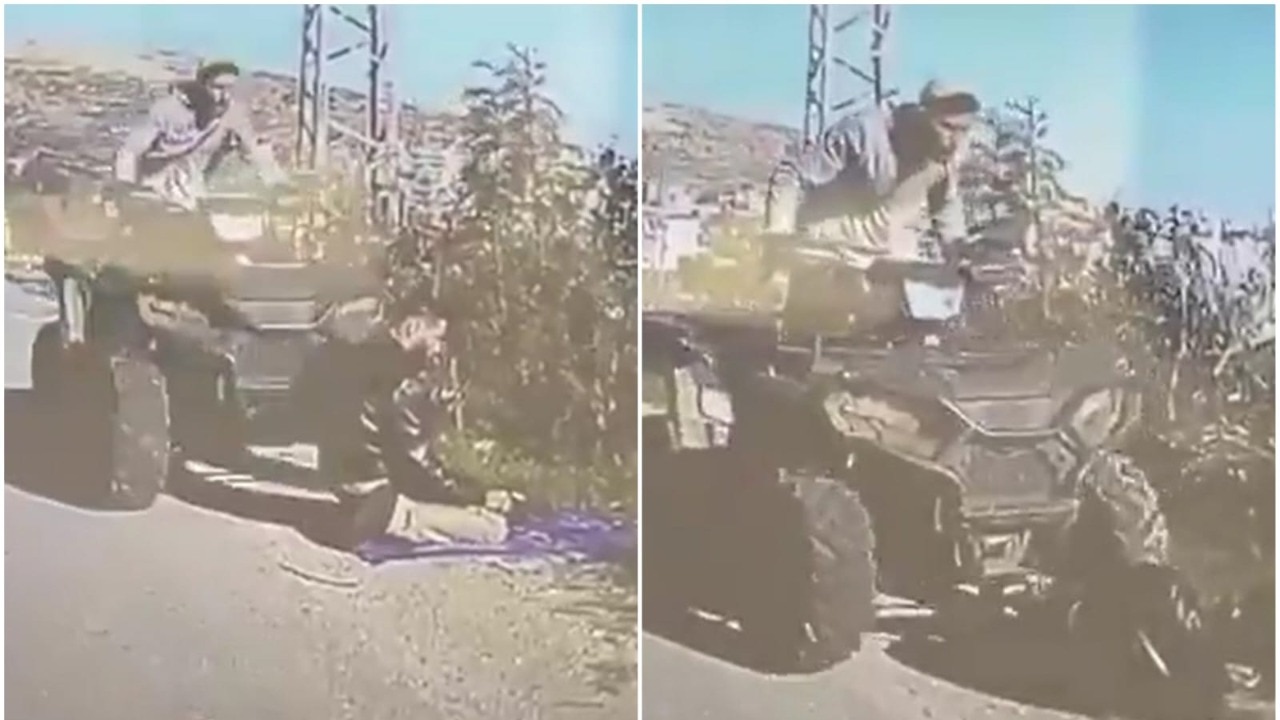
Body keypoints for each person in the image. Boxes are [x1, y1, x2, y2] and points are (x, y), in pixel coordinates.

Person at [765, 80, 982, 339]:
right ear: (923, 115)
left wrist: (958, 253)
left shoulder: (950, 152)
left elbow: (945, 204)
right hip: (833, 261)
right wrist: (778, 232)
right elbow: (792, 174)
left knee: (898, 361)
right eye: (946, 127)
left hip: (891, 273)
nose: (954, 140)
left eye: (963, 130)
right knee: (813, 357)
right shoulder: (864, 132)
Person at [312, 294, 491, 551]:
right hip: (380, 503)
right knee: (493, 529)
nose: (438, 350)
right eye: (438, 339)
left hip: (346, 487)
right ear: (413, 328)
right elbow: (415, 469)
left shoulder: (355, 356)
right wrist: (478, 496)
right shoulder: (402, 381)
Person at [113, 60, 288, 212]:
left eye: (229, 88)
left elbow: (255, 149)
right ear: (202, 85)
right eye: (218, 88)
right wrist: (126, 187)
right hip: (155, 192)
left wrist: (277, 183)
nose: (224, 95)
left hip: (196, 194)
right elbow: (130, 151)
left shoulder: (232, 114)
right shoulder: (166, 111)